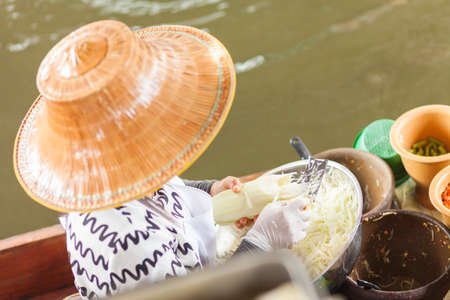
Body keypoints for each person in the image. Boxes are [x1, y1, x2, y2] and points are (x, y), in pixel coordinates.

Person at [13, 20, 310, 299]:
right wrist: (260, 244)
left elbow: (159, 193)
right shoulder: (131, 246)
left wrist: (209, 189)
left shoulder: (103, 179)